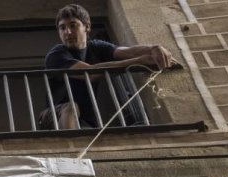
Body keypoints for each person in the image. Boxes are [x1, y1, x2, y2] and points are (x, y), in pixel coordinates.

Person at [39, 4, 175, 130]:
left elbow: (127, 52)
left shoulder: (97, 46)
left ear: (87, 26)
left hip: (85, 119)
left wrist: (155, 49)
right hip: (52, 117)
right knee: (71, 107)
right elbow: (90, 73)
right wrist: (140, 61)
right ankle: (72, 151)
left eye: (73, 25)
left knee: (80, 116)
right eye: (62, 28)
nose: (67, 32)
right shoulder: (56, 54)